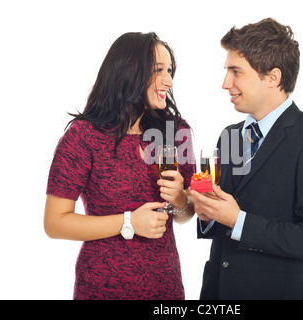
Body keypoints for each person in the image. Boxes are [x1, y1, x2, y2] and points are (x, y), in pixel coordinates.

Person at [190, 18, 303, 300]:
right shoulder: (230, 135)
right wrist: (206, 212)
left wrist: (239, 221)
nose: (225, 83)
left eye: (236, 72)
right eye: (227, 71)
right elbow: (221, 220)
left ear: (273, 77)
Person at [44, 32, 196, 300]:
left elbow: (185, 214)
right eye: (158, 70)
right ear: (129, 71)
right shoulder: (83, 136)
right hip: (102, 287)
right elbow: (55, 223)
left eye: (170, 70)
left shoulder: (176, 132)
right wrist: (129, 222)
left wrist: (182, 200)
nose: (169, 81)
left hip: (165, 286)